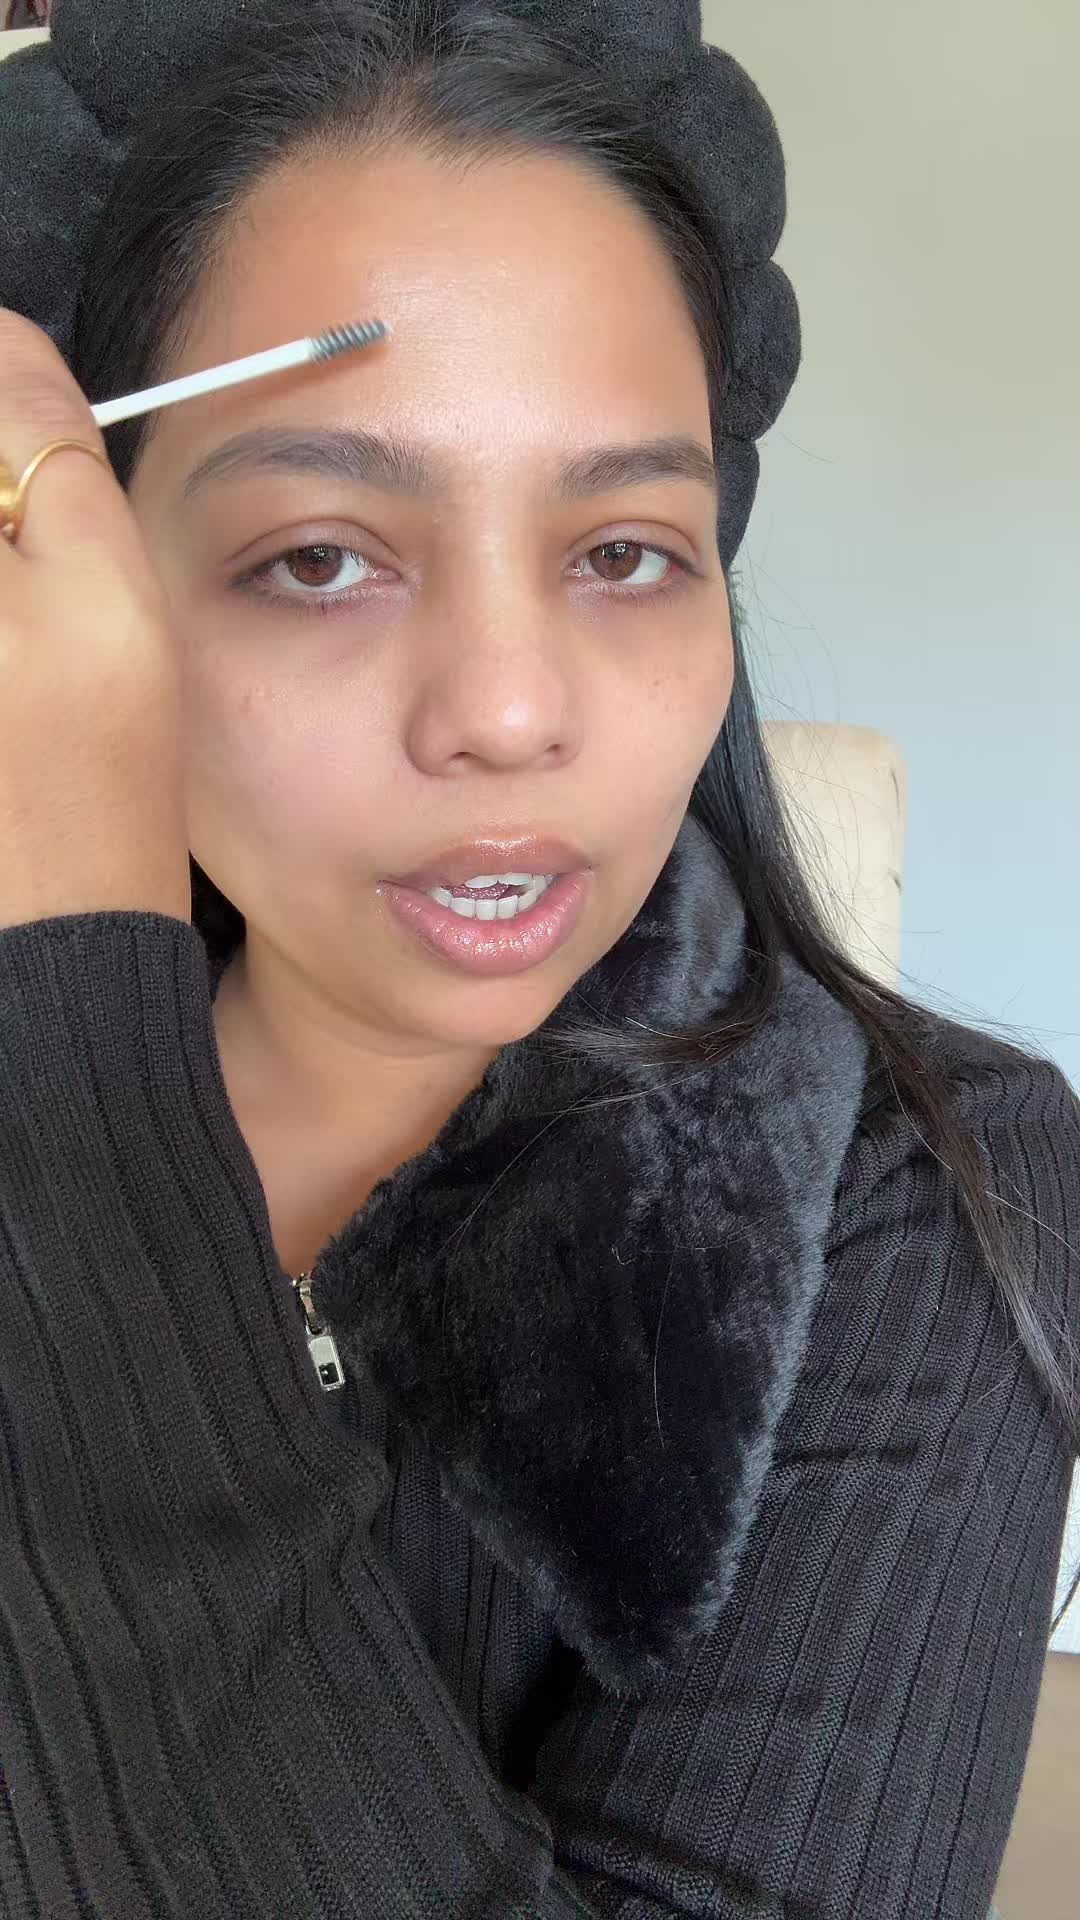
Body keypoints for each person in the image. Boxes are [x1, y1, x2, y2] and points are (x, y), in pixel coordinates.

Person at [0, 3, 1077, 1915]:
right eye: (320, 557)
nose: (508, 713)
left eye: (623, 551)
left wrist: (76, 1056)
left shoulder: (929, 1199)